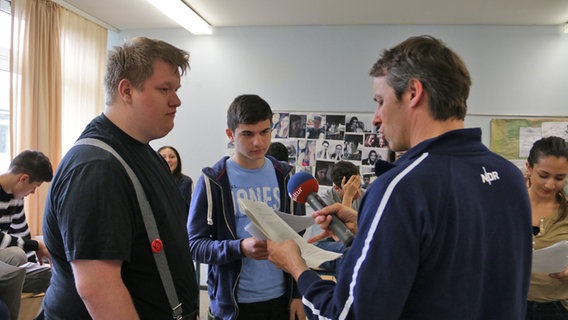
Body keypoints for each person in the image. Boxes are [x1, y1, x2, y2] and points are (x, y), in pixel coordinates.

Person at [267, 35, 532, 319]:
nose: (377, 117)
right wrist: (371, 231)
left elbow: (348, 315)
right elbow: (451, 268)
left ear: (413, 92)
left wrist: (298, 270)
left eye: (380, 101)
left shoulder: (401, 187)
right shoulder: (510, 177)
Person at [42, 37, 199, 319]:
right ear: (126, 90)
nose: (176, 101)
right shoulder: (96, 168)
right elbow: (98, 288)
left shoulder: (143, 153)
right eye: (164, 89)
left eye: (175, 90)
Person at [187, 94, 305, 320]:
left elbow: (297, 240)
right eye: (247, 134)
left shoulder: (285, 177)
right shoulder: (213, 182)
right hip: (235, 306)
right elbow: (194, 246)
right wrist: (239, 248)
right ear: (230, 135)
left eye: (265, 132)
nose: (258, 142)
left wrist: (298, 294)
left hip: (282, 300)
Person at [0, 150, 53, 320]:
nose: (33, 193)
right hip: (8, 260)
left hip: (9, 263)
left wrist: (35, 261)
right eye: (35, 186)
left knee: (55, 275)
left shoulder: (16, 197)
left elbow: (22, 232)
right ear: (23, 178)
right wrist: (35, 245)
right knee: (16, 255)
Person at [525, 136, 568, 319]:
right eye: (543, 175)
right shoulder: (507, 207)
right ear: (529, 168)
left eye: (559, 178)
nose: (550, 185)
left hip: (557, 309)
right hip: (513, 303)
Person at [315, 161, 365, 274]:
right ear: (336, 188)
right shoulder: (323, 200)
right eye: (351, 189)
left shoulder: (365, 195)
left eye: (358, 186)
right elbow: (342, 234)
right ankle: (345, 290)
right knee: (348, 250)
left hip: (354, 241)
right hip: (323, 244)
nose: (357, 193)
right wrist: (348, 196)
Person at [158, 145, 194, 212]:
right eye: (163, 157)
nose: (168, 160)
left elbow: (175, 203)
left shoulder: (185, 181)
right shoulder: (151, 180)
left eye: (172, 157)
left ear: (178, 161)